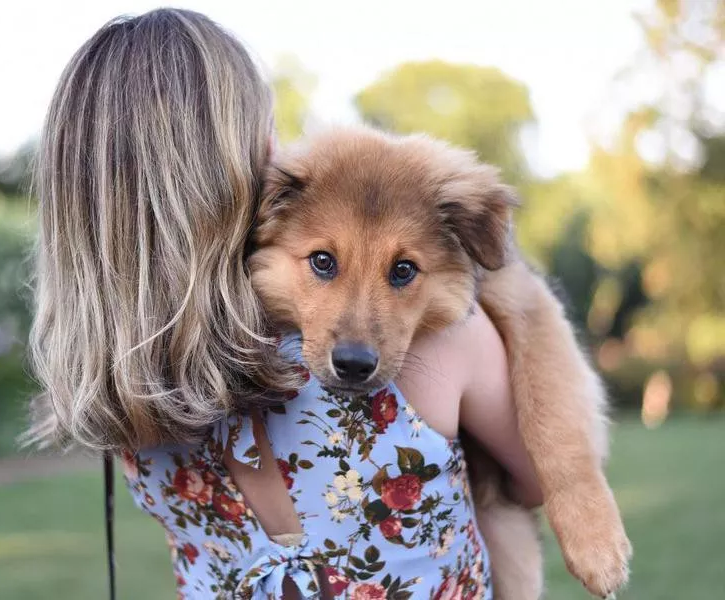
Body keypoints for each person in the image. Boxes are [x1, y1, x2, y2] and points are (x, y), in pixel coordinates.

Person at [27, 8, 541, 599]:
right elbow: (531, 480)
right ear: (244, 161)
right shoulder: (437, 341)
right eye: (266, 131)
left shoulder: (125, 385)